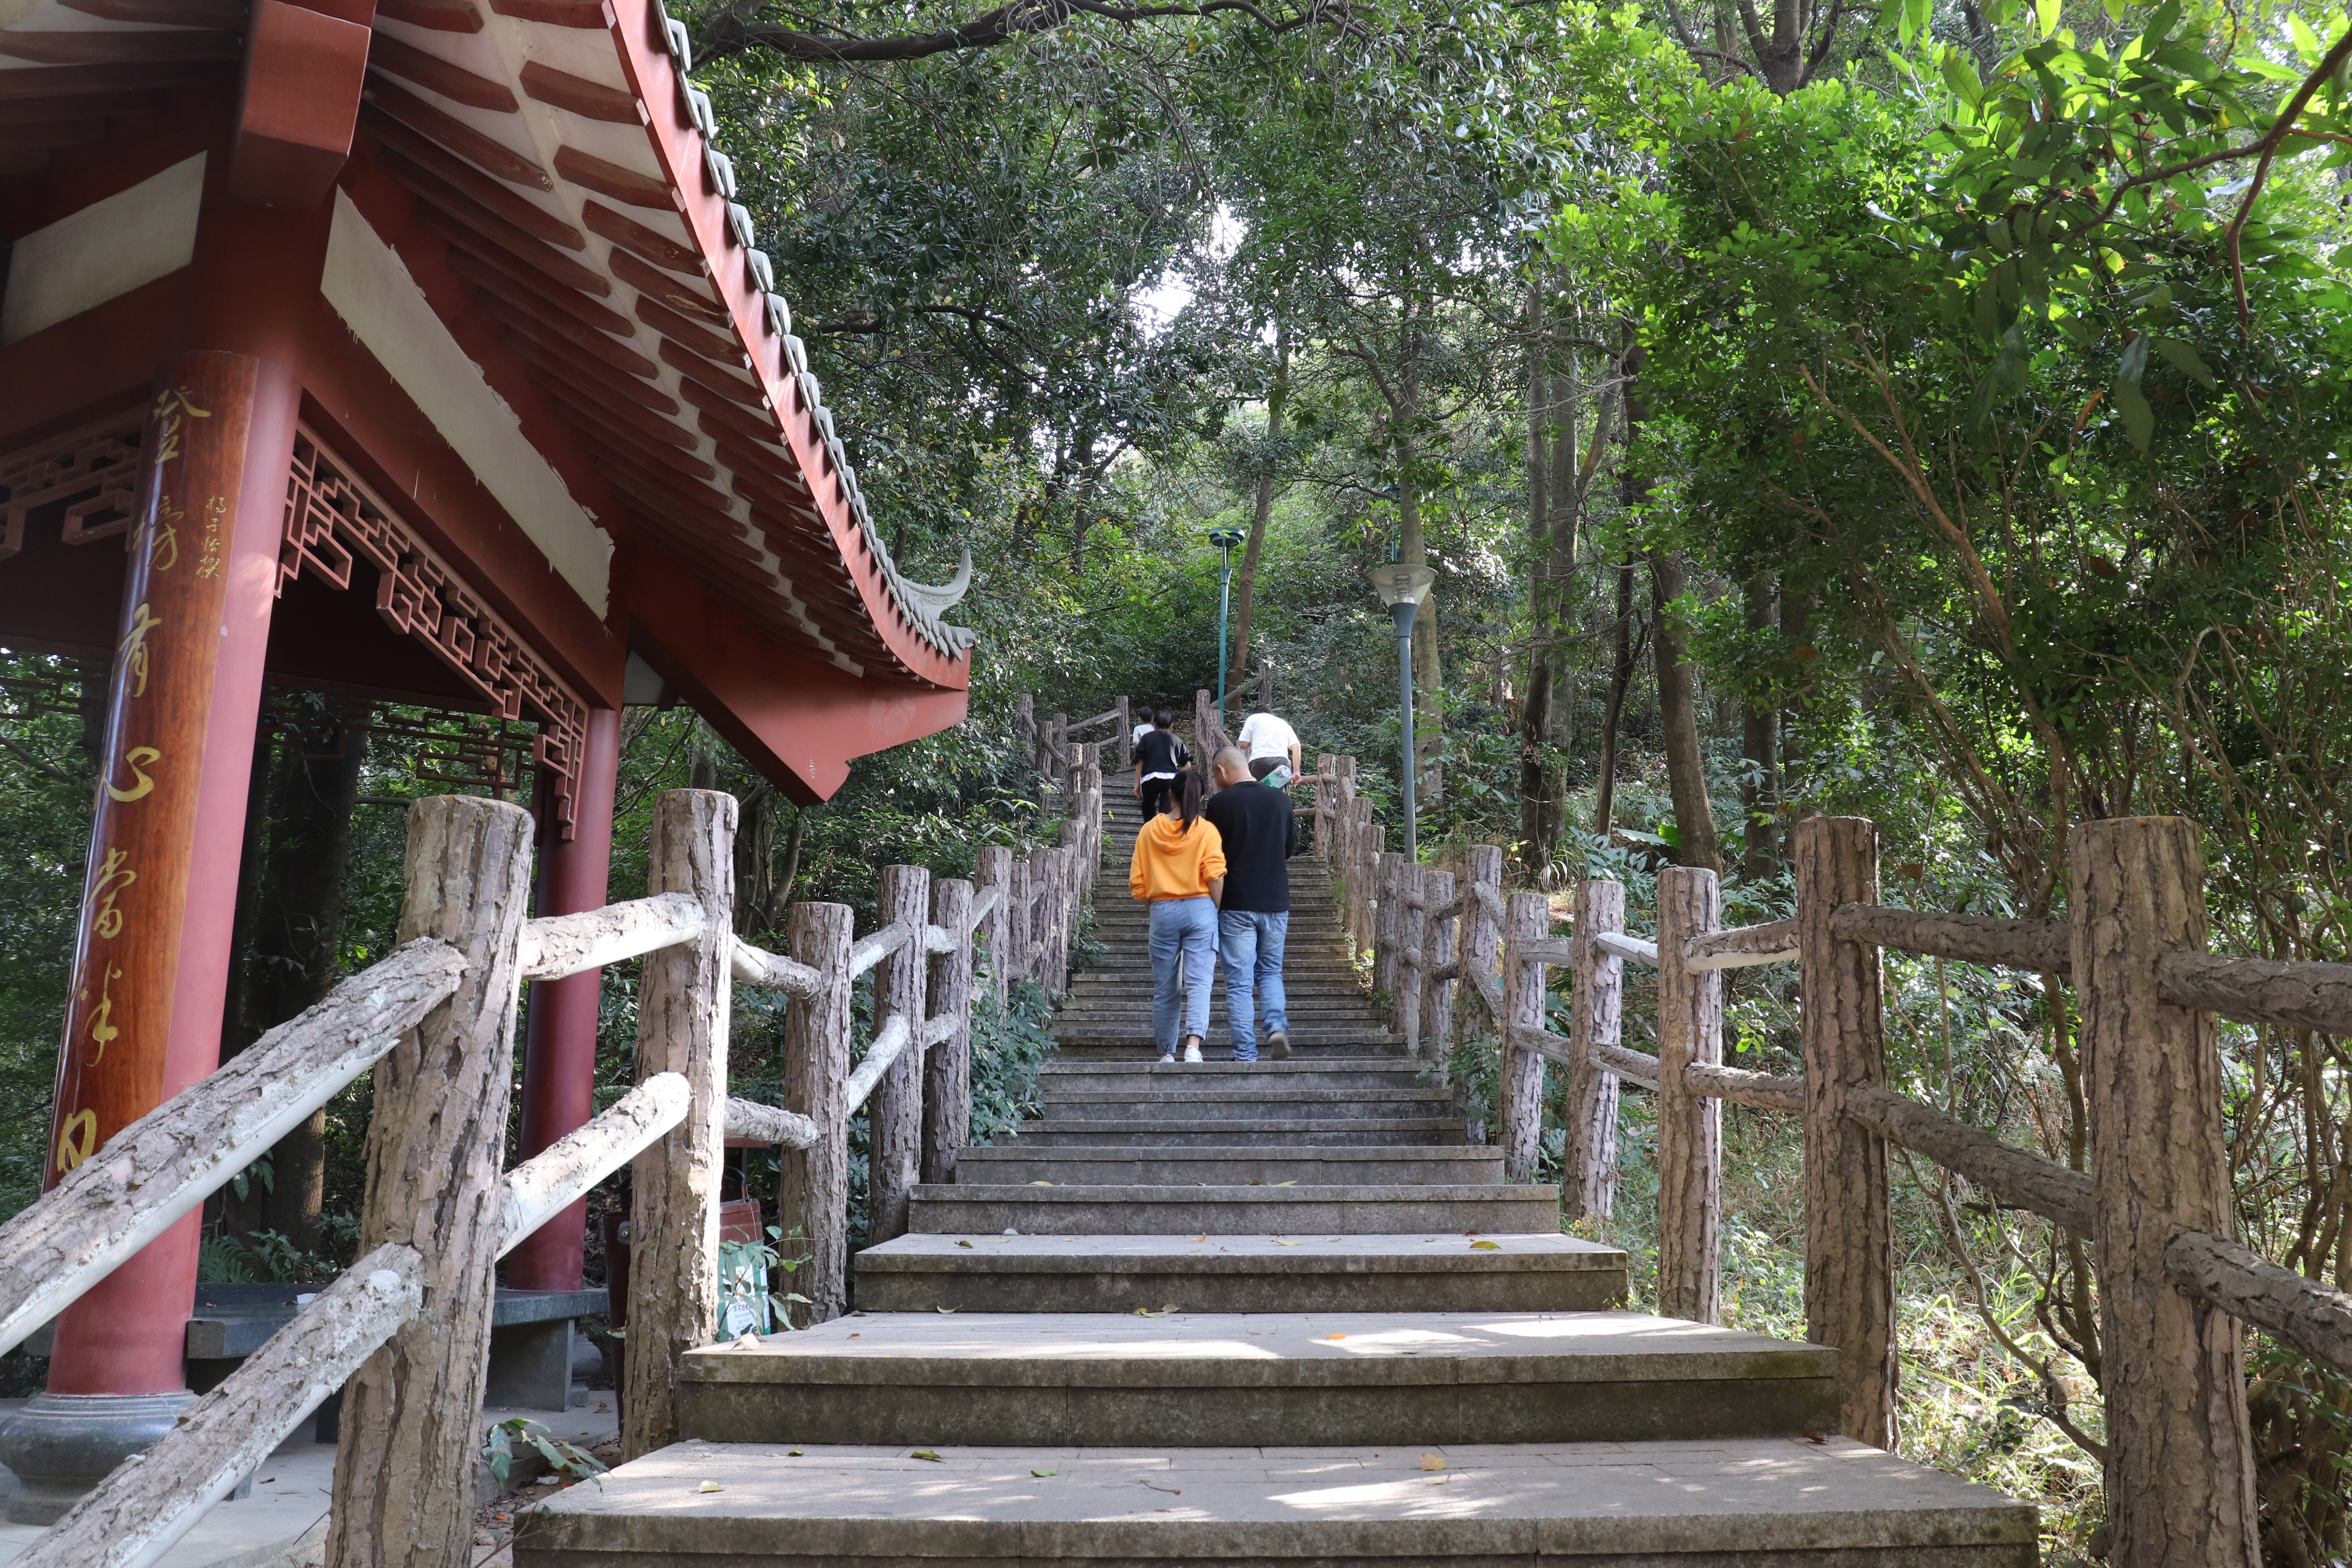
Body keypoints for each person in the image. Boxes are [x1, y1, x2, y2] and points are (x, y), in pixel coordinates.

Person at [1204, 747, 1296, 1060]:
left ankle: (1246, 1055)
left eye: (1215, 776)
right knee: (1271, 972)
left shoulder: (1219, 804)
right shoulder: (1282, 800)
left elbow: (1212, 858)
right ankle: (1276, 1028)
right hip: (1275, 898)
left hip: (1236, 900)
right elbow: (1288, 849)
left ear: (1221, 770)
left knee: (1240, 983)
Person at [1128, 769, 1225, 1064]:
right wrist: (1214, 909)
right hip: (1201, 908)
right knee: (1199, 982)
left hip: (1162, 910)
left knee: (1166, 986)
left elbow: (1139, 884)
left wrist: (1157, 907)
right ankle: (1193, 1048)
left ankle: (1166, 1053)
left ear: (1170, 795)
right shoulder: (1206, 830)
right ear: (1203, 796)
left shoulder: (1148, 832)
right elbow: (1215, 875)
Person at [1132, 708, 1190, 819]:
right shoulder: (1177, 740)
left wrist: (1137, 784)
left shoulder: (1147, 739)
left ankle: (1150, 830)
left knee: (1148, 807)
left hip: (1150, 778)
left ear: (1155, 725)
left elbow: (1140, 762)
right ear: (1172, 726)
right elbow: (1188, 764)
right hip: (1170, 779)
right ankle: (1164, 832)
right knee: (1166, 811)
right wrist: (1177, 774)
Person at [1237, 708, 1302, 784]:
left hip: (1260, 760)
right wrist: (1297, 772)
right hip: (1281, 762)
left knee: (1257, 793)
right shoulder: (1284, 723)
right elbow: (1297, 747)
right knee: (1276, 794)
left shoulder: (1253, 718)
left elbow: (1244, 744)